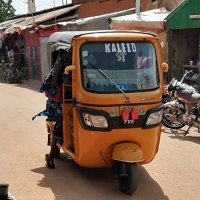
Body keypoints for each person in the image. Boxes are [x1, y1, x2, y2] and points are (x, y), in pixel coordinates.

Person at [32, 49, 72, 169]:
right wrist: (59, 68)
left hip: (72, 99)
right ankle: (50, 156)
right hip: (57, 102)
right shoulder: (58, 68)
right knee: (60, 123)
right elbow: (52, 85)